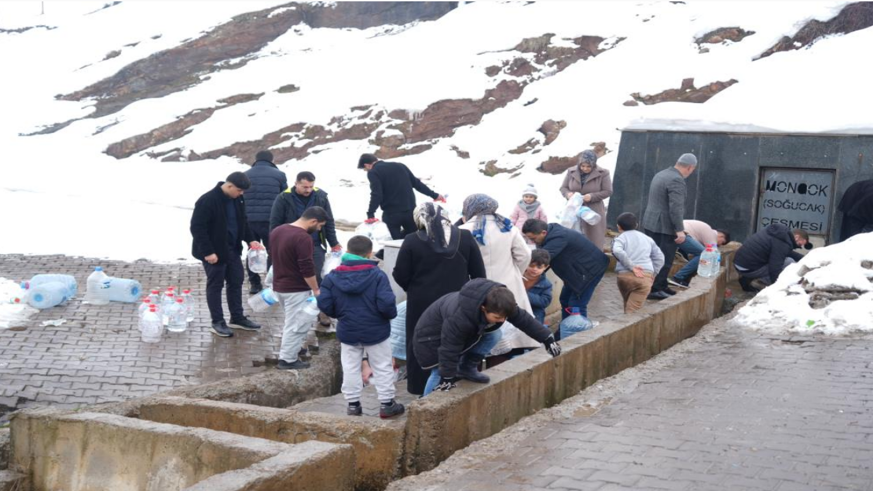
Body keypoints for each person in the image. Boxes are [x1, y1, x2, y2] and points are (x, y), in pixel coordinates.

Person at [392, 202, 486, 395]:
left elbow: (400, 273)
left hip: (421, 303)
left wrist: (415, 288)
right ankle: (452, 385)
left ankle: (420, 387)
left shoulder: (412, 240)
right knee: (455, 340)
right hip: (457, 302)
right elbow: (479, 275)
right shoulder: (465, 237)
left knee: (421, 341)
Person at [413, 279, 562, 395]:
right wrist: (447, 377)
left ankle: (467, 367)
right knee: (439, 372)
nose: (502, 320)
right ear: (483, 308)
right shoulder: (459, 316)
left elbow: (524, 320)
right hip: (430, 339)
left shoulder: (501, 303)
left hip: (456, 335)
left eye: (505, 317)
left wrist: (547, 338)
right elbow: (449, 348)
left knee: (495, 334)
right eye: (497, 317)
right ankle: (426, 408)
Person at [317, 236, 405, 419]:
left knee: (350, 366)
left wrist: (340, 314)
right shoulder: (377, 275)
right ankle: (387, 404)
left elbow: (325, 304)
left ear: (348, 252)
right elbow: (387, 304)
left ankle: (353, 405)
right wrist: (386, 317)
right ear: (369, 253)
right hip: (376, 330)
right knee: (382, 366)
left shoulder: (333, 277)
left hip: (348, 329)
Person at [460, 194, 538, 355]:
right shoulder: (508, 227)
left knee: (481, 332)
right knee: (511, 329)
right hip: (508, 286)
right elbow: (524, 255)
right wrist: (516, 273)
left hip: (477, 289)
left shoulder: (463, 230)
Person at [190, 172, 264, 338]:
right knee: (215, 286)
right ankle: (217, 322)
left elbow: (242, 221)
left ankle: (237, 318)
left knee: (236, 281)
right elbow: (197, 228)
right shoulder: (208, 200)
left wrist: (251, 239)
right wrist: (208, 252)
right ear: (229, 185)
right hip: (214, 253)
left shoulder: (237, 199)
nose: (241, 193)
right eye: (239, 190)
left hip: (232, 249)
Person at [270, 171, 341, 340]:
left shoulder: (321, 196)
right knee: (294, 276)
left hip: (315, 244)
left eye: (310, 186)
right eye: (304, 186)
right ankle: (294, 313)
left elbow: (328, 222)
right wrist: (273, 246)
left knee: (316, 276)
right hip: (290, 244)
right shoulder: (283, 198)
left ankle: (322, 311)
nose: (308, 190)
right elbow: (275, 223)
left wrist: (334, 242)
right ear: (296, 184)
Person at [522, 219, 608, 333]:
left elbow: (541, 260)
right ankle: (565, 328)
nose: (531, 241)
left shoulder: (558, 238)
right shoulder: (548, 235)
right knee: (565, 299)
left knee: (576, 304)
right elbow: (541, 263)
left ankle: (578, 334)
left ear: (543, 232)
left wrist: (521, 272)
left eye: (533, 238)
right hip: (575, 271)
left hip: (590, 270)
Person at [269, 206, 329, 370]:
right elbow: (307, 268)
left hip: (279, 286)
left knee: (291, 321)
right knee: (297, 325)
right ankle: (287, 360)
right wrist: (316, 289)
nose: (318, 229)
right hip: (295, 289)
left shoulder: (278, 230)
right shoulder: (303, 238)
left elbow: (274, 258)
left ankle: (293, 348)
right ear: (313, 221)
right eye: (319, 226)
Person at [641, 153, 697, 300]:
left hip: (651, 222)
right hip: (664, 226)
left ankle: (661, 284)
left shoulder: (661, 174)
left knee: (652, 257)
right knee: (664, 259)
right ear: (690, 168)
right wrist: (679, 230)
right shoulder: (676, 180)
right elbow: (676, 208)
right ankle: (655, 289)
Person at [358, 153, 445, 240]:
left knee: (396, 243)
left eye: (365, 169)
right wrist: (435, 195)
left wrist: (371, 214)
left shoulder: (373, 172)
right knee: (414, 239)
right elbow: (416, 184)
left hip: (392, 214)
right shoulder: (400, 166)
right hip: (410, 211)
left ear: (367, 165)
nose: (366, 171)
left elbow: (377, 194)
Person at [244, 150, 288, 294]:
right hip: (271, 221)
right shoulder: (279, 175)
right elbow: (284, 198)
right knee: (273, 252)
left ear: (256, 159)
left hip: (249, 220)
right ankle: (272, 283)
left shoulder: (245, 175)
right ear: (271, 160)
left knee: (252, 251)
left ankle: (255, 284)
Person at [559, 150, 613, 250]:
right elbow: (563, 188)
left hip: (593, 210)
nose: (585, 169)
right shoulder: (571, 171)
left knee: (593, 241)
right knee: (573, 239)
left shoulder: (603, 173)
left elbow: (608, 191)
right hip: (573, 210)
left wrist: (592, 196)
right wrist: (568, 194)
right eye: (583, 166)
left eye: (589, 166)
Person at [612, 213, 665, 313]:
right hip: (644, 277)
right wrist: (653, 274)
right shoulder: (648, 239)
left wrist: (631, 267)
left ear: (618, 226)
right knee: (633, 311)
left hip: (624, 278)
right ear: (637, 225)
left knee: (627, 306)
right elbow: (660, 257)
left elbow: (617, 251)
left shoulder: (620, 238)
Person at [734, 225, 811, 292]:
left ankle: (747, 279)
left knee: (783, 258)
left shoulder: (778, 234)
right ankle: (759, 282)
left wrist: (806, 258)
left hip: (740, 264)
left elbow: (788, 253)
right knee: (788, 262)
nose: (798, 247)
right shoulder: (783, 243)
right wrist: (776, 286)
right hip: (748, 269)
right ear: (796, 237)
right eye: (800, 244)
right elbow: (774, 267)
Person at [668, 220, 728, 288]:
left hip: (672, 229)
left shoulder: (704, 231)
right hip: (681, 233)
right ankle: (678, 278)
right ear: (722, 236)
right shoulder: (712, 234)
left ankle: (680, 252)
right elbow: (712, 254)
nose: (719, 245)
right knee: (702, 254)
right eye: (722, 242)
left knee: (697, 251)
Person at [524, 249, 553, 324]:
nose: (534, 269)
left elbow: (544, 301)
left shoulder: (546, 284)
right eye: (531, 265)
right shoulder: (517, 277)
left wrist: (524, 294)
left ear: (546, 267)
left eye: (539, 267)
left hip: (535, 314)